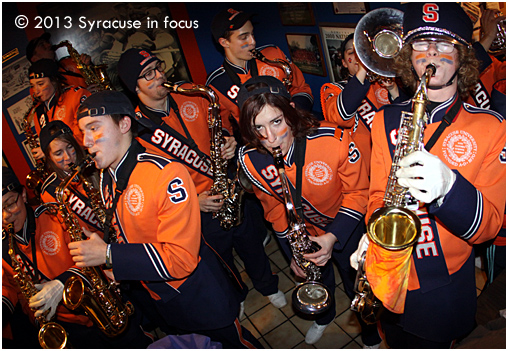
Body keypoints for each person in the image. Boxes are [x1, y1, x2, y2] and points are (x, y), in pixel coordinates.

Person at [350, 3, 506, 348]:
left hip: (444, 281)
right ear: (409, 56)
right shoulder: (385, 119)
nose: (431, 52)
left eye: (444, 43)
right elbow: (377, 193)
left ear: (463, 58)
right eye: (421, 43)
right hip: (392, 266)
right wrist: (374, 237)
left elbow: (491, 225)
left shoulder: (492, 127)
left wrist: (449, 189)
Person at [69, 90, 262, 348]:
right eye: (83, 132)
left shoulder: (166, 174)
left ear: (124, 124)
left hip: (199, 296)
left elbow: (181, 259)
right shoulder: (107, 178)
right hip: (165, 300)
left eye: (94, 128)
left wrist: (110, 255)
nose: (86, 141)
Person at [116, 48, 286, 315]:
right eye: (148, 75)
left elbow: (222, 127)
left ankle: (268, 285)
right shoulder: (136, 132)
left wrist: (229, 141)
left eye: (158, 67)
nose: (160, 76)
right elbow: (150, 192)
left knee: (252, 243)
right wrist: (193, 202)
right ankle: (237, 294)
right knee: (220, 259)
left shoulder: (192, 95)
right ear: (133, 85)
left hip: (227, 186)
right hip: (195, 207)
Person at [237, 76, 381, 347]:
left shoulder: (333, 140)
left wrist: (332, 237)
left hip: (347, 228)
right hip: (306, 234)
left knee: (360, 285)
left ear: (290, 111)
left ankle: (370, 333)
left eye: (277, 121)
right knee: (320, 281)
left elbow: (359, 194)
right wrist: (294, 253)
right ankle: (325, 317)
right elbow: (275, 212)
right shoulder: (250, 158)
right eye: (258, 128)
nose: (270, 138)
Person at [2, 166, 151, 348]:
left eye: (10, 204)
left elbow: (90, 256)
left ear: (23, 196)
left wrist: (62, 284)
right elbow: (14, 291)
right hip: (72, 328)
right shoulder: (4, 249)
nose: (5, 216)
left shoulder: (53, 214)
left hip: (102, 305)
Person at [207, 7, 314, 126]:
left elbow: (302, 89)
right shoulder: (216, 84)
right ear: (224, 42)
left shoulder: (274, 55)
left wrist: (295, 112)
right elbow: (224, 127)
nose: (253, 41)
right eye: (244, 37)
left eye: (252, 34)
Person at [320, 32, 405, 170]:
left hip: (394, 157)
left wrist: (393, 88)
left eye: (363, 52)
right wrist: (363, 69)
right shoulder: (333, 89)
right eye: (352, 53)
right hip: (364, 168)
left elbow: (408, 115)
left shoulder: (385, 83)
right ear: (344, 63)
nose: (359, 57)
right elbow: (341, 116)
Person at [38, 120, 103, 234]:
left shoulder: (96, 162)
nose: (67, 157)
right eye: (58, 153)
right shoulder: (50, 190)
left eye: (70, 147)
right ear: (49, 158)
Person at [28, 59, 90, 160]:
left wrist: (53, 150)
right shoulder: (38, 113)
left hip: (87, 159)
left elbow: (87, 133)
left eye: (40, 84)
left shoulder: (76, 95)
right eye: (32, 86)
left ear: (54, 80)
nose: (36, 91)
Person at [26, 32, 91, 89]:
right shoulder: (38, 84)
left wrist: (88, 66)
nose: (49, 45)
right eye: (42, 45)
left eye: (47, 42)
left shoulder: (68, 62)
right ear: (34, 59)